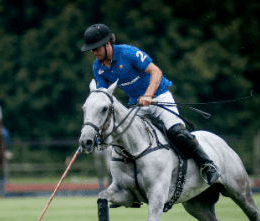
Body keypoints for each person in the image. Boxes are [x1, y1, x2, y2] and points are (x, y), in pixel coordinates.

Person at [81, 24, 220, 185]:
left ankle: (208, 165)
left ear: (107, 44)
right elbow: (102, 97)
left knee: (178, 132)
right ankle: (127, 185)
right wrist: (91, 130)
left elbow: (156, 71)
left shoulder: (128, 53)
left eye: (96, 48)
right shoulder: (97, 67)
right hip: (135, 105)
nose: (94, 53)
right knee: (125, 138)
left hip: (159, 96)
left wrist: (148, 95)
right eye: (91, 50)